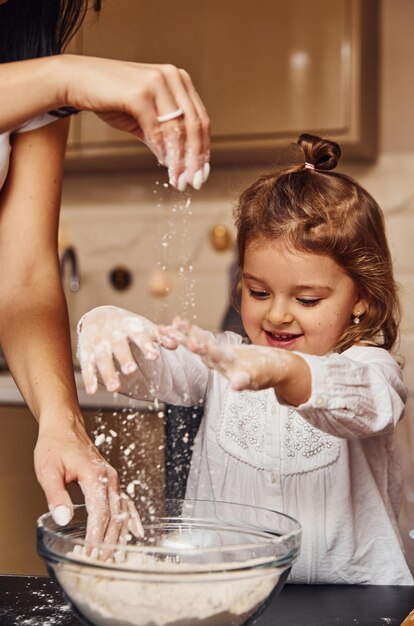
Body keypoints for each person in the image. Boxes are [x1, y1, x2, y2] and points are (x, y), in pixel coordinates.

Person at [77, 133, 414, 584]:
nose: (276, 314)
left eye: (308, 299)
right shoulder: (221, 362)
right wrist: (104, 322)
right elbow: (150, 366)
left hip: (357, 603)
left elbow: (365, 405)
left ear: (362, 299)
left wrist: (284, 371)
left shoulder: (370, 370)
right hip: (225, 595)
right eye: (258, 292)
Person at [0, 0, 210, 543]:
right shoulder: (49, 79)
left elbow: (22, 274)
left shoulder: (25, 51)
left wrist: (60, 421)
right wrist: (63, 77)